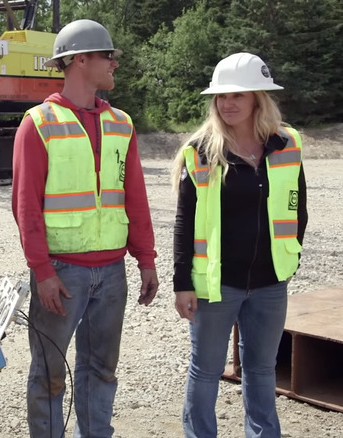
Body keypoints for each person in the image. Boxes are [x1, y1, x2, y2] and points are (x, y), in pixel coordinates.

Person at [12, 19, 159, 437]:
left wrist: (145, 260)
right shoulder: (38, 124)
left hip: (112, 272)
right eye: (107, 56)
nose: (115, 63)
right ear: (80, 60)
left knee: (101, 370)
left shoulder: (121, 123)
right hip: (62, 273)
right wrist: (42, 272)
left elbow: (135, 199)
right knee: (49, 375)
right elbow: (26, 207)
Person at [172, 52, 307, 438]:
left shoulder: (287, 143)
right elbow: (184, 224)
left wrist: (290, 257)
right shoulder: (200, 151)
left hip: (270, 283)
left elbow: (299, 207)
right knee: (206, 369)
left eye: (238, 96)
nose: (227, 104)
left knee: (263, 369)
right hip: (217, 283)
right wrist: (183, 283)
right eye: (221, 97)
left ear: (258, 100)